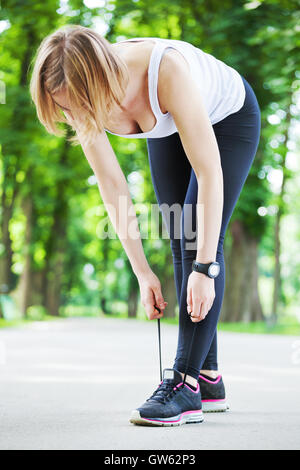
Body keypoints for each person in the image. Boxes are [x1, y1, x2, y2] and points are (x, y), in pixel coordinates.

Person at [29, 24, 261, 427]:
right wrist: (141, 271)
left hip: (228, 117)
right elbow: (113, 186)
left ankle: (184, 384)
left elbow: (209, 175)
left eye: (79, 104)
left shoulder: (166, 71)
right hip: (166, 120)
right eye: (65, 108)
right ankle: (209, 377)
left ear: (100, 79)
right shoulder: (79, 96)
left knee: (197, 240)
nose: (75, 115)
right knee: (177, 233)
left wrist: (206, 268)